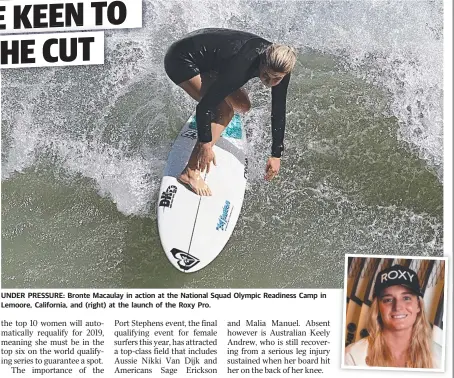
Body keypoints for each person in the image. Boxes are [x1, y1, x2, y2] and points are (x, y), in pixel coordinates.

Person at [164, 28, 296, 196]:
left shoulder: (282, 68)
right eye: (265, 75)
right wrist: (205, 143)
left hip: (210, 60)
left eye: (276, 78)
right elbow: (204, 107)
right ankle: (190, 172)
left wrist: (276, 155)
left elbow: (278, 110)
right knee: (224, 111)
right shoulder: (243, 64)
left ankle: (212, 104)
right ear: (263, 61)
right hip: (181, 58)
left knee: (242, 105)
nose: (269, 82)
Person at [344, 265, 442, 369]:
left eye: (406, 298)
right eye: (388, 300)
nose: (397, 307)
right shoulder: (352, 356)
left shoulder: (442, 358)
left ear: (418, 305)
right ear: (377, 307)